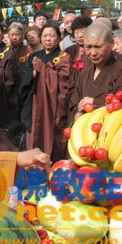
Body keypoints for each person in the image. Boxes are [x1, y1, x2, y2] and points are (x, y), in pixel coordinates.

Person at [19, 21, 72, 161]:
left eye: (52, 36)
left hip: (53, 109)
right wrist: (33, 75)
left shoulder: (64, 58)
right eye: (45, 35)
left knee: (53, 141)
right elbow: (22, 76)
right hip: (34, 104)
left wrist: (44, 71)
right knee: (33, 140)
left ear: (59, 37)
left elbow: (64, 83)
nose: (47, 39)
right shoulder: (33, 56)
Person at [69, 23, 122, 121]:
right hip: (85, 131)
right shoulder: (84, 73)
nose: (93, 53)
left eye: (98, 47)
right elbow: (74, 104)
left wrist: (95, 102)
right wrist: (77, 115)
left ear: (111, 43)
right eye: (88, 47)